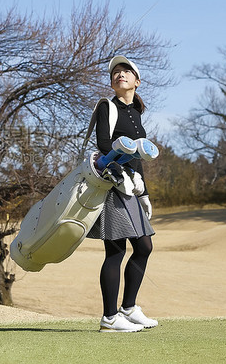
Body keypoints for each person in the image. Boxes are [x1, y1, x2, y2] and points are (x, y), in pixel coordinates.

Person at [87, 55, 158, 333]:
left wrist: (145, 194)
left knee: (143, 247)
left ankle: (128, 309)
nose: (120, 74)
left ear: (137, 82)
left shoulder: (137, 114)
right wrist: (122, 170)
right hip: (112, 184)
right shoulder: (107, 106)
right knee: (116, 250)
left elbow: (138, 155)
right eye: (115, 72)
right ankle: (109, 318)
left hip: (131, 188)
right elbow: (104, 144)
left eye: (126, 71)